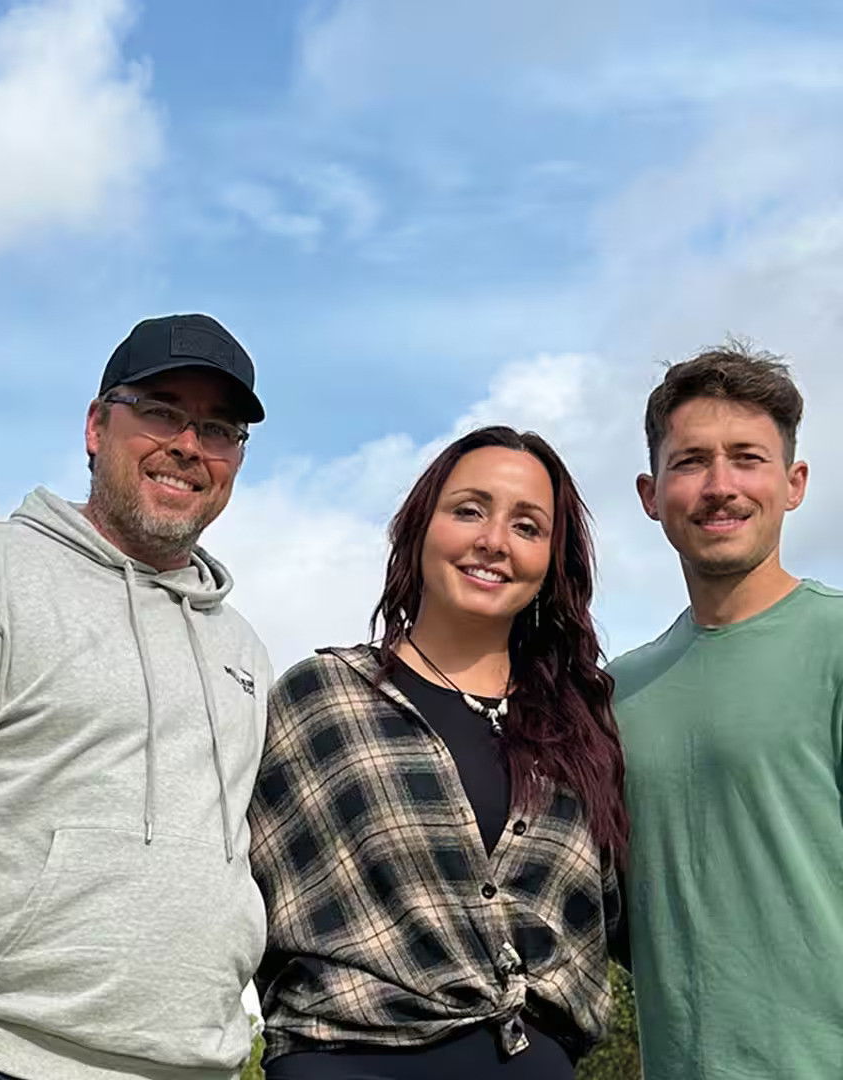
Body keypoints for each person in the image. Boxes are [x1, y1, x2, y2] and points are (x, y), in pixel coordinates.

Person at [0, 314, 274, 1080]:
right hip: (2, 1055)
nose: (188, 446)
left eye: (218, 429)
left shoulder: (243, 648)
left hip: (203, 1066)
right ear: (97, 426)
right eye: (162, 412)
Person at [250, 426, 630, 1079]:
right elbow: (222, 896)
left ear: (551, 564)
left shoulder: (585, 732)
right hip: (346, 1062)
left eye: (528, 526)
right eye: (470, 511)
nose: (495, 541)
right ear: (421, 526)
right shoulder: (319, 700)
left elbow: (635, 922)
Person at [610, 345, 843, 1079]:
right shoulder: (615, 693)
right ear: (651, 494)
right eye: (690, 462)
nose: (720, 487)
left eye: (748, 458)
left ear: (794, 484)